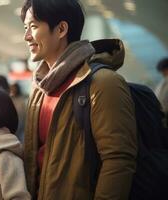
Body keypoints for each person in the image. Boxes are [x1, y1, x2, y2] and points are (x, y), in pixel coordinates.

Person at [21, 0, 137, 199]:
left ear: (61, 29)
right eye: (25, 28)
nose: (26, 36)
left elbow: (118, 159)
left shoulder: (103, 83)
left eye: (33, 26)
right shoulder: (40, 89)